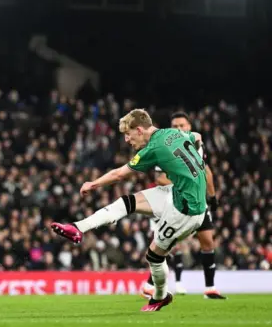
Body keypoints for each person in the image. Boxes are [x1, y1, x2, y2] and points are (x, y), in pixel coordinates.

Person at [51, 109, 208, 312]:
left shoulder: (153, 148)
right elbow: (197, 136)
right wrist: (198, 152)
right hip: (178, 192)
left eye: (128, 134)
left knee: (154, 256)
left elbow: (119, 175)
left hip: (188, 210)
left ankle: (160, 296)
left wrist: (93, 184)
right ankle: (77, 228)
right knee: (128, 202)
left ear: (140, 130)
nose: (127, 139)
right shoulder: (173, 133)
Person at [141, 112, 226, 300]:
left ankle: (210, 288)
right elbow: (160, 179)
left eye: (182, 125)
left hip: (199, 202)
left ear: (189, 126)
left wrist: (212, 196)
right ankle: (149, 284)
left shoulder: (196, 146)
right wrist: (184, 182)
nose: (179, 129)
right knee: (170, 245)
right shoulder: (165, 147)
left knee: (208, 241)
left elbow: (206, 171)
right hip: (179, 203)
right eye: (175, 126)